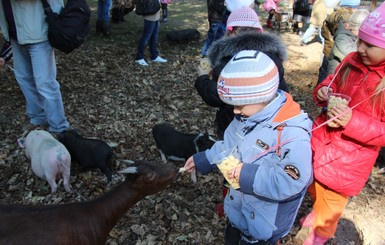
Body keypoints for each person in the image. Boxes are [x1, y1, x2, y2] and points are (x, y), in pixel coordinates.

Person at [185, 50, 313, 245]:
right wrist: (204, 158)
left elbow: (291, 180)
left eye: (239, 105)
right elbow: (228, 147)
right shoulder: (245, 117)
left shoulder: (292, 135)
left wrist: (245, 175)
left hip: (264, 224)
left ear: (262, 96)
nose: (234, 110)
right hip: (238, 210)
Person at [301, 3, 385, 244]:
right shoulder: (351, 59)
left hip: (349, 159)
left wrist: (352, 121)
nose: (360, 48)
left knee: (332, 206)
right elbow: (332, 81)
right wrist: (324, 91)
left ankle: (320, 236)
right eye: (359, 41)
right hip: (322, 141)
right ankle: (317, 209)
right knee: (314, 185)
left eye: (369, 45)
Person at [196, 6, 288, 140]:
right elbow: (283, 91)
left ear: (231, 31)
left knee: (232, 158)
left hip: (234, 125)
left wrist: (203, 77)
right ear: (259, 31)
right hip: (268, 125)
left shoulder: (229, 61)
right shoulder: (272, 57)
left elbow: (216, 96)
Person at [0, 0, 71, 136]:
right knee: (24, 79)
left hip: (38, 32)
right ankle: (38, 118)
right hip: (15, 34)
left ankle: (59, 127)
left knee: (45, 83)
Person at [316, 0, 359, 84]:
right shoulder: (346, 18)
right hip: (334, 49)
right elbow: (343, 36)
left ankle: (319, 89)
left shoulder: (334, 14)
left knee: (323, 72)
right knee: (329, 75)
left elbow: (324, 30)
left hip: (328, 47)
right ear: (352, 7)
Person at [326, 8, 369, 74]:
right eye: (359, 30)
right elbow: (352, 54)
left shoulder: (354, 36)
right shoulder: (342, 38)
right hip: (335, 72)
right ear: (349, 26)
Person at [135, 0, 167, 66]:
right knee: (146, 36)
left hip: (156, 11)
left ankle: (154, 56)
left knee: (154, 36)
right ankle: (139, 57)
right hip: (149, 10)